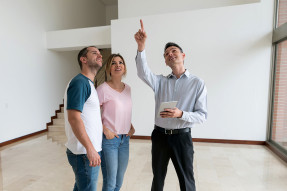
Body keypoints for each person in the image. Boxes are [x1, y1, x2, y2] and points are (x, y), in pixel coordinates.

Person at [134, 20, 207, 191]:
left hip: (182, 138)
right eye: (166, 54)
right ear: (166, 62)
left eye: (174, 51)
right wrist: (141, 47)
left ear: (183, 55)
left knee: (187, 181)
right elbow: (142, 72)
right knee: (157, 179)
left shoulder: (197, 83)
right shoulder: (160, 81)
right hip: (159, 136)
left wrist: (181, 114)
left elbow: (202, 115)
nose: (170, 54)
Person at [64, 46, 103, 191]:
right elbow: (74, 118)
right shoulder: (80, 82)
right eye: (95, 53)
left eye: (100, 53)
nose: (99, 55)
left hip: (86, 151)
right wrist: (90, 148)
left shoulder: (88, 83)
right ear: (83, 59)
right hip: (84, 153)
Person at [96, 54, 135, 191]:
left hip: (125, 139)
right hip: (110, 141)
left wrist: (130, 125)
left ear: (124, 68)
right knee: (110, 182)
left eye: (121, 62)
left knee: (119, 181)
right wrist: (105, 130)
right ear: (109, 69)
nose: (118, 65)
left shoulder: (128, 88)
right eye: (113, 63)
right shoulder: (102, 89)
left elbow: (123, 109)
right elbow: (91, 114)